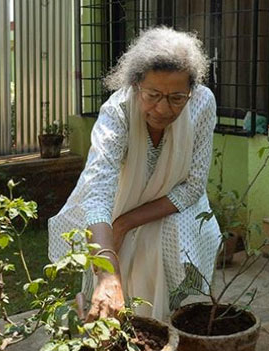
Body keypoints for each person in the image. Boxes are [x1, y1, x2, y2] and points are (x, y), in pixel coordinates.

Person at [48, 27, 220, 321]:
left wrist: (125, 224)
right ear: (135, 85)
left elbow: (192, 187)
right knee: (109, 277)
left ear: (191, 91)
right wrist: (106, 273)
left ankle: (164, 326)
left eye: (177, 97)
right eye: (153, 95)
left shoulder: (202, 104)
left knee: (160, 246)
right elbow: (98, 192)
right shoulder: (117, 112)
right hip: (117, 206)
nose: (163, 108)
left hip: (173, 208)